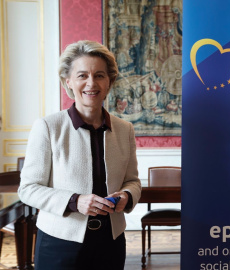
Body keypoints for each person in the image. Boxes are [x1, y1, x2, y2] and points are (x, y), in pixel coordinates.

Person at [18, 40, 142, 270]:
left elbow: (132, 181)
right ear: (69, 82)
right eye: (82, 75)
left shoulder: (125, 129)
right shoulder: (47, 127)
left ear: (109, 82)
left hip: (111, 242)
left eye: (99, 75)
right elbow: (28, 189)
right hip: (59, 242)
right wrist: (74, 201)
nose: (91, 83)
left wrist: (126, 196)